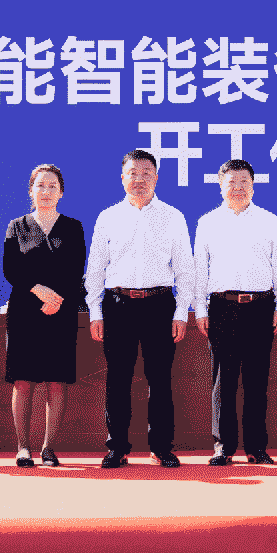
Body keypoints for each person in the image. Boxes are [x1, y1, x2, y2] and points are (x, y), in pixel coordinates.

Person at [85, 149, 195, 469]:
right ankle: (117, 447)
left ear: (156, 178)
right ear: (122, 178)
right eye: (133, 173)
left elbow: (185, 269)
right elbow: (96, 269)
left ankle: (161, 447)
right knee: (117, 378)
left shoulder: (172, 217)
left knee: (159, 378)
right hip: (118, 304)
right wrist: (95, 312)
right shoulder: (108, 217)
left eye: (147, 173)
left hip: (159, 304)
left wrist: (180, 312)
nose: (140, 179)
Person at [194, 159, 277, 466]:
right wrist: (199, 308)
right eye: (231, 182)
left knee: (256, 379)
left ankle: (256, 447)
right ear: (221, 186)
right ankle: (223, 446)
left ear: (253, 185)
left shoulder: (269, 220)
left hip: (260, 306)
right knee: (223, 379)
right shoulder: (208, 222)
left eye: (244, 182)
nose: (238, 188)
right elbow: (200, 268)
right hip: (222, 307)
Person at [3, 164, 86, 468]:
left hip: (61, 310)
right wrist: (37, 289)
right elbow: (11, 268)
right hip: (24, 311)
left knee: (56, 381)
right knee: (23, 381)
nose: (46, 191)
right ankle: (23, 447)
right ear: (31, 190)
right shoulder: (17, 226)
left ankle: (49, 448)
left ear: (61, 192)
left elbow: (77, 268)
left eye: (52, 186)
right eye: (40, 185)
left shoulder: (73, 227)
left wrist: (57, 298)